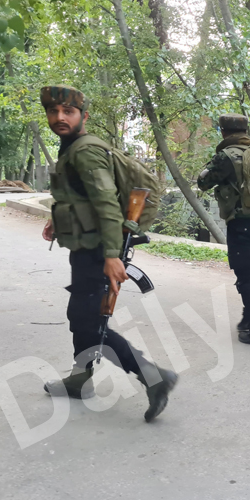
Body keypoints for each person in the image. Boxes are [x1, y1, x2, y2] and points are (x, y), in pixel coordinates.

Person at [40, 85, 178, 421]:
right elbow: (81, 198)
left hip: (98, 250)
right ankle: (80, 379)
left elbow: (104, 203)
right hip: (89, 247)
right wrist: (58, 221)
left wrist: (112, 255)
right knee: (84, 317)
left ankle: (154, 378)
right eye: (54, 111)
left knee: (89, 322)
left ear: (82, 116)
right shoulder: (72, 147)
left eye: (68, 112)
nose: (60, 117)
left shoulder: (84, 151)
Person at [197, 114, 250, 346]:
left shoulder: (226, 157)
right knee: (248, 273)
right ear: (246, 131)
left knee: (247, 278)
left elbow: (203, 183)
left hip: (241, 225)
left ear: (224, 132)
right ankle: (248, 318)